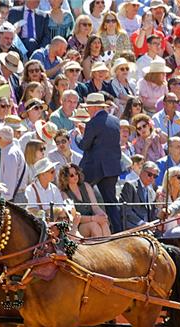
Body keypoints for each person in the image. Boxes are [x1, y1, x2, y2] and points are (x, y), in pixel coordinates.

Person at [76, 92, 123, 233]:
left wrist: (78, 137)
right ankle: (118, 232)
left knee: (80, 193)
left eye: (88, 108)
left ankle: (82, 228)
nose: (87, 110)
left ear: (94, 107)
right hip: (112, 168)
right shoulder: (115, 121)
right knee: (111, 203)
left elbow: (85, 145)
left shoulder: (92, 123)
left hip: (94, 169)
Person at [58, 163, 111, 237]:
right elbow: (74, 217)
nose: (75, 176)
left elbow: (95, 207)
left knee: (104, 223)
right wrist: (93, 218)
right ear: (65, 178)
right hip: (77, 225)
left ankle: (107, 246)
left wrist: (103, 215)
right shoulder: (64, 194)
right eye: (71, 175)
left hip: (93, 219)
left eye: (76, 173)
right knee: (94, 226)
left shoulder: (86, 186)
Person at [119, 160, 159, 230]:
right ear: (142, 172)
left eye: (155, 176)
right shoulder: (130, 186)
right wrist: (141, 223)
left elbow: (152, 215)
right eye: (149, 174)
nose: (152, 178)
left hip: (148, 228)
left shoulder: (152, 192)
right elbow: (126, 210)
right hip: (133, 226)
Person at [0, 125, 28, 202]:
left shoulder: (10, 154)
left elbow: (8, 183)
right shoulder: (11, 151)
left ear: (0, 138)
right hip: (15, 195)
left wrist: (3, 200)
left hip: (14, 198)